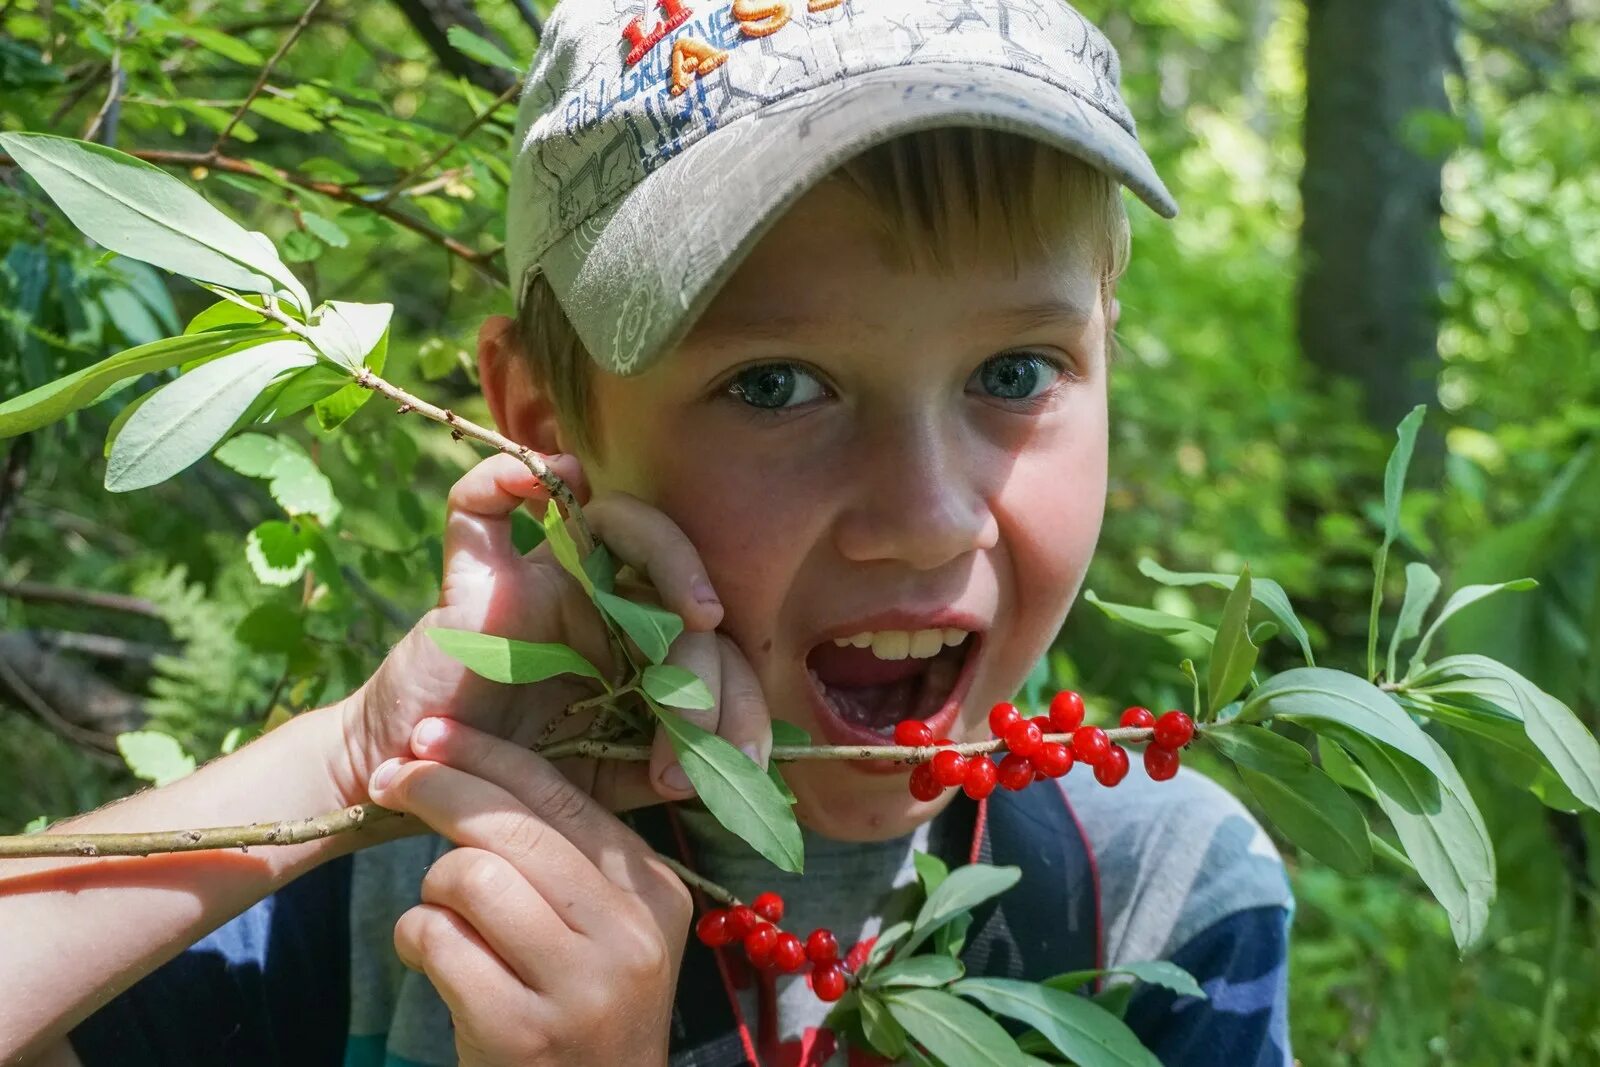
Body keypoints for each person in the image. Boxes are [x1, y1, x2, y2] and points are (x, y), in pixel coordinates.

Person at [3, 0, 1294, 1064]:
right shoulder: (385, 887)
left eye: (1015, 372)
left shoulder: (1157, 901)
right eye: (775, 384)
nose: (926, 518)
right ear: (539, 419)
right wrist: (355, 762)